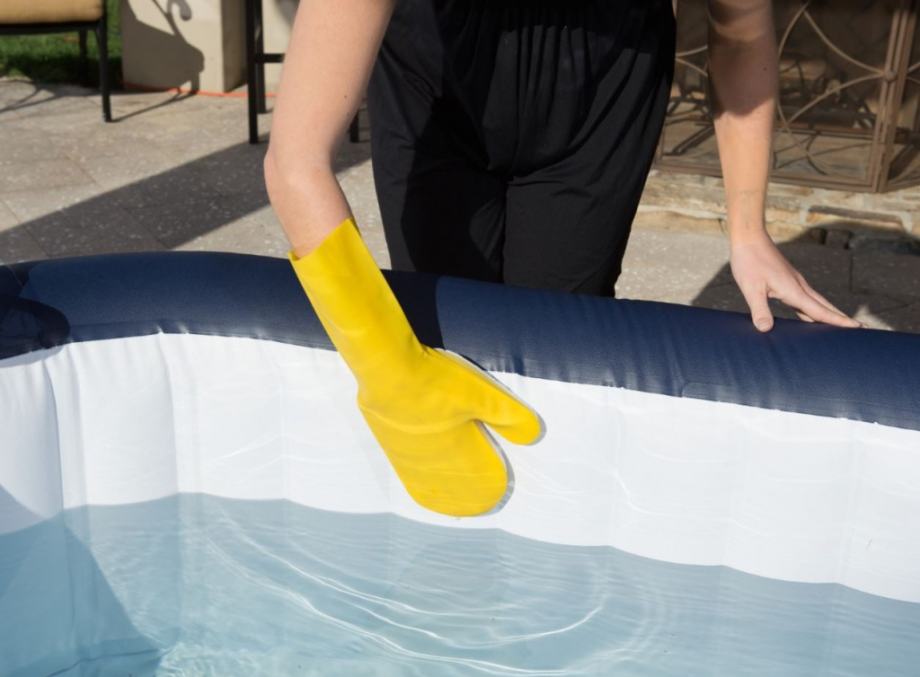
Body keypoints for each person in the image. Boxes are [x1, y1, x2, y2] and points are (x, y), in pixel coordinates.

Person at [264, 0, 861, 517]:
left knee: (558, 350)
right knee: (441, 340)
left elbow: (743, 34)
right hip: (436, 87)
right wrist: (388, 372)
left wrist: (749, 232)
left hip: (602, 99)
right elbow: (295, 162)